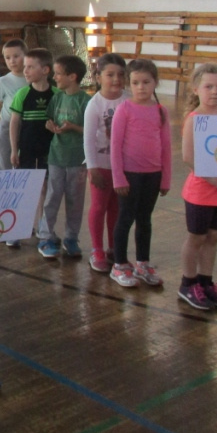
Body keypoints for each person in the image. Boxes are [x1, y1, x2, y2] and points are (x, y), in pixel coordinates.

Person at [178, 64, 217, 310]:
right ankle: (188, 283)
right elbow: (189, 157)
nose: (215, 91)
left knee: (213, 238)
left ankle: (206, 282)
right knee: (197, 237)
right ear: (196, 89)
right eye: (209, 86)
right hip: (201, 191)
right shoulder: (194, 120)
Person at [110, 59, 171, 289]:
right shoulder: (124, 109)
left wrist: (165, 178)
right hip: (129, 175)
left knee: (145, 220)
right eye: (135, 83)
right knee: (125, 218)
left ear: (155, 83)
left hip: (153, 175)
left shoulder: (161, 111)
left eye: (146, 82)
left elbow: (166, 147)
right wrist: (118, 177)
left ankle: (142, 264)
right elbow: (115, 146)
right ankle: (119, 265)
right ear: (129, 84)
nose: (141, 87)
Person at [40, 55, 92, 259]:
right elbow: (50, 119)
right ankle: (45, 236)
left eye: (58, 74)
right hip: (56, 156)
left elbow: (91, 131)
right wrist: (51, 126)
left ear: (72, 76)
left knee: (75, 200)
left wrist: (74, 128)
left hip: (77, 159)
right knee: (52, 198)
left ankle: (71, 237)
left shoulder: (85, 101)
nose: (55, 77)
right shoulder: (58, 97)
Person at [83, 53, 127, 273]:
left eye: (120, 74)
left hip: (123, 167)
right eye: (110, 75)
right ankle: (97, 250)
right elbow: (88, 139)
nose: (116, 79)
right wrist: (92, 168)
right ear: (98, 77)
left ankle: (113, 248)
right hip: (101, 165)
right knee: (99, 206)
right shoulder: (95, 104)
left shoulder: (128, 100)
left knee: (116, 208)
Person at [9, 48, 56, 242]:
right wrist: (14, 150)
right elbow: (14, 123)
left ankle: (42, 228)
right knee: (24, 190)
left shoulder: (56, 94)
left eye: (30, 67)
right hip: (27, 150)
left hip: (49, 152)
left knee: (44, 189)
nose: (25, 71)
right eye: (25, 67)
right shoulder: (22, 94)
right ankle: (18, 228)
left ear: (45, 70)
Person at [0, 39, 27, 170]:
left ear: (26, 56)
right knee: (4, 163)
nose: (12, 61)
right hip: (7, 126)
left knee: (25, 163)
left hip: (28, 126)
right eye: (8, 58)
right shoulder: (3, 81)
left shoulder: (33, 79)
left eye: (16, 56)